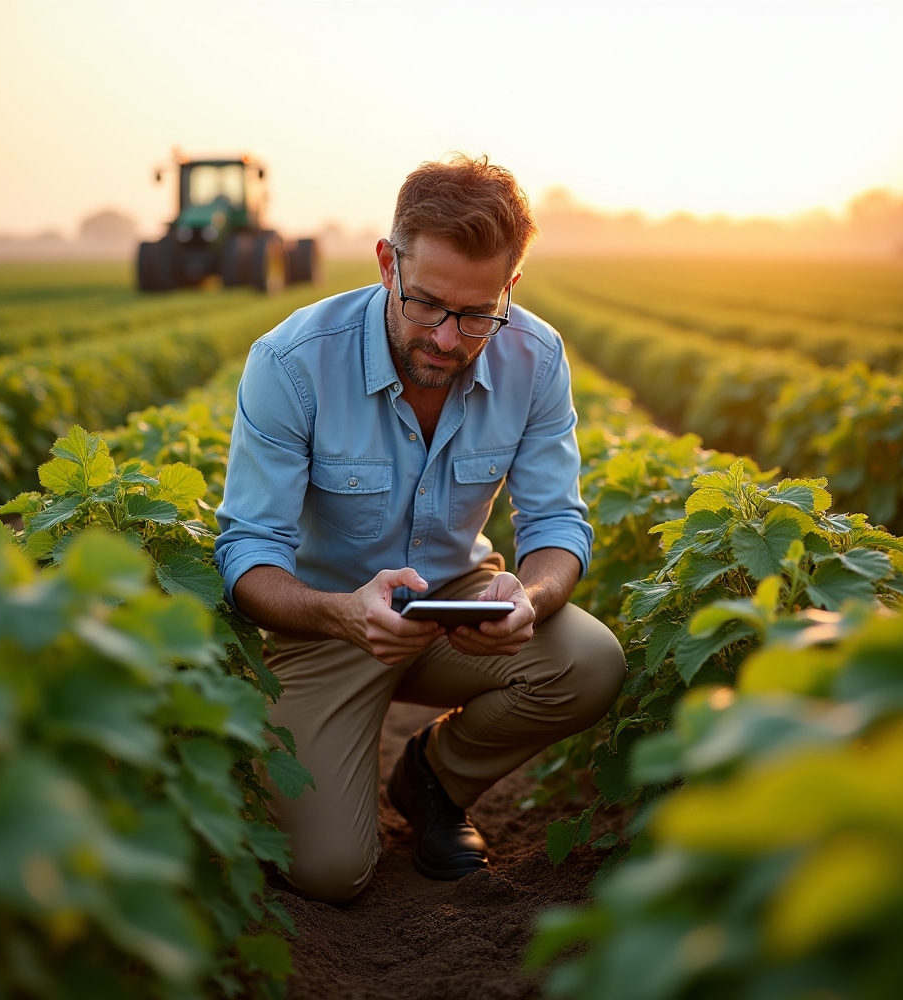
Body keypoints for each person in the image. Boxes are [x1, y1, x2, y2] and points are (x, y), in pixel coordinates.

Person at [214, 154, 626, 904]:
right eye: (427, 305)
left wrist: (529, 598)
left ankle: (432, 778)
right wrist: (342, 612)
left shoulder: (536, 358)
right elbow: (248, 556)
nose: (445, 337)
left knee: (591, 662)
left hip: (456, 605)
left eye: (476, 315)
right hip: (323, 620)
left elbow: (558, 523)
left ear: (511, 287)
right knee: (330, 873)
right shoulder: (292, 363)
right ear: (386, 264)